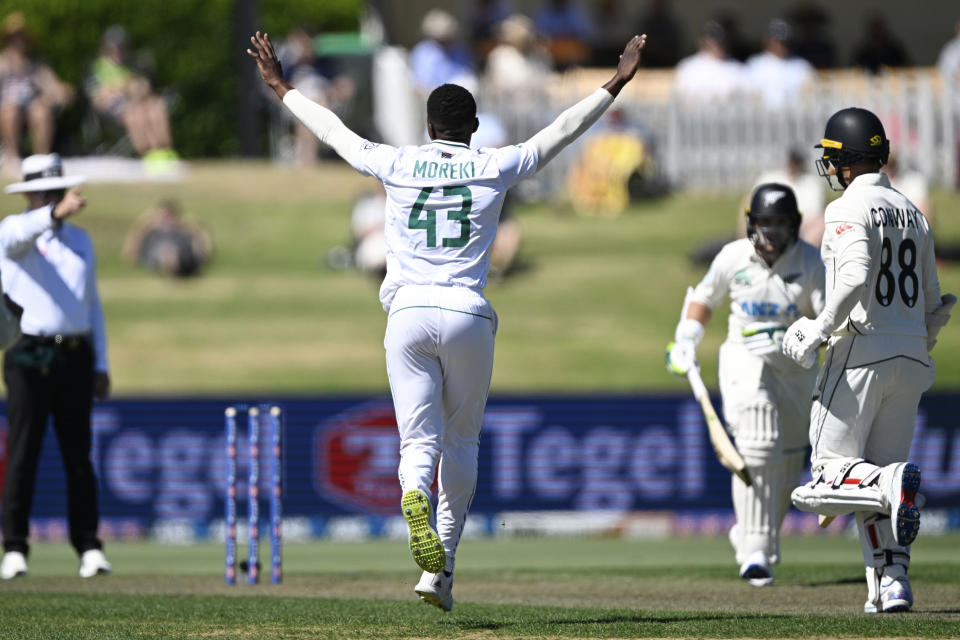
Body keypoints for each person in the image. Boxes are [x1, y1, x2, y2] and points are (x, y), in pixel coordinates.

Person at [248, 29, 648, 611]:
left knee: (418, 439)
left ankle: (413, 492)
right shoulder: (493, 165)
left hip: (406, 314)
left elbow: (333, 131)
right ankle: (443, 570)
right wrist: (616, 80)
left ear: (430, 127)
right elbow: (560, 131)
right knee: (461, 439)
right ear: (473, 128)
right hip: (466, 313)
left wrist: (282, 86)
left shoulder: (398, 163)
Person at [782, 108, 953, 613]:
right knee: (874, 481)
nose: (830, 168)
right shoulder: (912, 211)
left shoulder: (847, 208)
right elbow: (938, 303)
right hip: (910, 355)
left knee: (822, 482)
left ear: (851, 161)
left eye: (834, 158)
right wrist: (919, 348)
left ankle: (891, 484)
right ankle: (891, 585)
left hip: (859, 350)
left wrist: (818, 328)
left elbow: (854, 273)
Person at [666, 183, 825, 587]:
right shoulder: (733, 256)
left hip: (795, 367)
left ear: (795, 225)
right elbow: (704, 298)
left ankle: (759, 537)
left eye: (780, 223)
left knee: (787, 460)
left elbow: (830, 322)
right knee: (757, 438)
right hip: (744, 357)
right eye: (765, 223)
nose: (771, 232)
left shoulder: (812, 263)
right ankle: (754, 551)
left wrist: (806, 342)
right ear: (752, 223)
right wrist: (687, 338)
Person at [0, 153, 111, 580]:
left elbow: (92, 304)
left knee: (78, 455)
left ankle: (88, 546)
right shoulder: (14, 230)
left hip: (75, 352)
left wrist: (100, 362)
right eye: (42, 192)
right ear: (29, 194)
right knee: (23, 452)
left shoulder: (80, 240)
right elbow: (19, 236)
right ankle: (14, 547)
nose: (51, 198)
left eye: (55, 190)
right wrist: (51, 213)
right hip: (28, 351)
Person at [86, 25, 176, 164]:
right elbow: (98, 98)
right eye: (114, 48)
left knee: (156, 106)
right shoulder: (97, 67)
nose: (118, 52)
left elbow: (144, 87)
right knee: (135, 113)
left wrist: (128, 88)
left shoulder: (134, 64)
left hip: (138, 101)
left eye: (121, 47)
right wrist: (124, 87)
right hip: (114, 110)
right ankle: (147, 154)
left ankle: (164, 150)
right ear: (105, 48)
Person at [0, 12, 73, 173]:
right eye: (15, 37)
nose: (19, 41)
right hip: (7, 109)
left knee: (41, 109)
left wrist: (62, 92)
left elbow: (52, 85)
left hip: (31, 107)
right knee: (10, 110)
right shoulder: (2, 62)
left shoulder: (36, 64)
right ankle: (12, 158)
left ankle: (41, 158)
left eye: (21, 37)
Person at [743, 149, 825, 248]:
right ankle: (747, 244)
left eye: (796, 162)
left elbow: (816, 213)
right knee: (747, 205)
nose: (793, 165)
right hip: (767, 221)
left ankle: (804, 255)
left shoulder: (811, 183)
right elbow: (750, 200)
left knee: (822, 220)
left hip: (802, 227)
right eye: (792, 162)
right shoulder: (770, 177)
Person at [121, 199, 212, 277]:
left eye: (169, 215)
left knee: (171, 252)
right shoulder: (150, 233)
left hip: (182, 257)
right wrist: (143, 223)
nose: (165, 219)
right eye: (162, 215)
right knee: (165, 252)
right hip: (157, 255)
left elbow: (205, 252)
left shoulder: (183, 230)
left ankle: (173, 265)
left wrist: (193, 226)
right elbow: (129, 254)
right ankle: (169, 265)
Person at [745, 19, 815, 110]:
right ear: (768, 41)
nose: (780, 45)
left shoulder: (801, 65)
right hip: (763, 117)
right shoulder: (755, 64)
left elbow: (810, 93)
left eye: (784, 42)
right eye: (777, 41)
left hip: (795, 116)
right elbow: (749, 95)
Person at [673, 21, 746, 104]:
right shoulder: (688, 66)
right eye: (713, 43)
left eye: (721, 43)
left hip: (730, 113)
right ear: (703, 42)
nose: (718, 46)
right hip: (698, 113)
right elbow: (682, 97)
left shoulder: (736, 68)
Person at [408, 9, 476, 95]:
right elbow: (420, 82)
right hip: (432, 97)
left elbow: (467, 76)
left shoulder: (460, 50)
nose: (445, 40)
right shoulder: (423, 52)